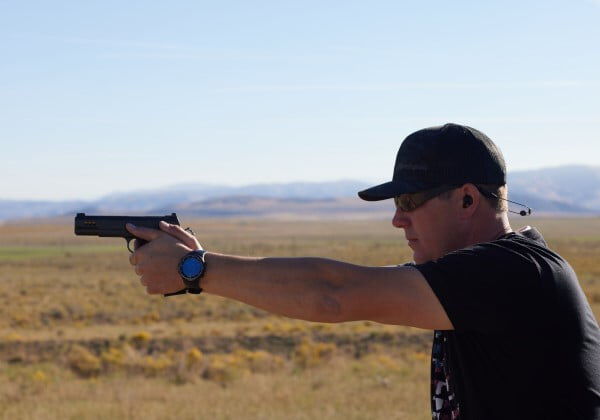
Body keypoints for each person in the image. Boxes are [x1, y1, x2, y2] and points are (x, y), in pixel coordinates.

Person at [126, 123, 600, 419]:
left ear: (468, 199)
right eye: (397, 204)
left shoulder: (513, 274)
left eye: (410, 202)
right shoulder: (487, 275)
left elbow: (334, 294)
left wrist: (196, 270)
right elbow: (340, 290)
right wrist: (199, 263)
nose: (398, 219)